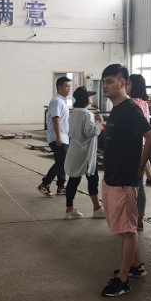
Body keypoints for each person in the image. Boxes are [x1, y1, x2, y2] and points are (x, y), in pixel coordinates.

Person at [99, 64, 151, 297]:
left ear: (122, 83)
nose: (105, 86)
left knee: (127, 230)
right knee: (123, 227)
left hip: (124, 179)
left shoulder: (130, 108)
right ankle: (136, 265)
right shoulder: (117, 108)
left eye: (110, 81)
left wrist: (140, 167)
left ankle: (122, 279)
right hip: (112, 177)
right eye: (104, 82)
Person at [63, 87, 105, 219]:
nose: (91, 98)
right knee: (93, 178)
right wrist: (100, 123)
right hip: (86, 153)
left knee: (73, 179)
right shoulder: (87, 114)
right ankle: (97, 209)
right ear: (85, 99)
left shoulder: (73, 113)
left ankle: (69, 209)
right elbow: (90, 132)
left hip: (75, 150)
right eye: (89, 96)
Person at [126, 75, 151, 233]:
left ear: (134, 86)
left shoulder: (131, 104)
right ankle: (139, 219)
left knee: (130, 186)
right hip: (142, 147)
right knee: (139, 185)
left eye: (128, 83)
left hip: (132, 148)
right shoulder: (144, 104)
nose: (125, 86)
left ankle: (130, 219)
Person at [38, 76, 71, 197]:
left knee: (61, 162)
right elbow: (55, 119)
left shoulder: (62, 101)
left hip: (63, 137)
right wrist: (58, 137)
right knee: (61, 162)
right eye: (66, 86)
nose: (69, 89)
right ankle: (44, 184)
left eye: (69, 87)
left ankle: (61, 186)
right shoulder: (56, 101)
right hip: (58, 137)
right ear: (59, 87)